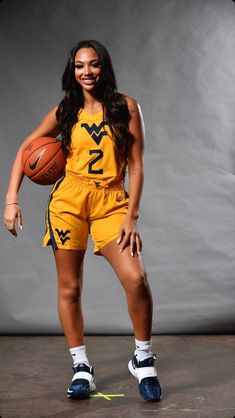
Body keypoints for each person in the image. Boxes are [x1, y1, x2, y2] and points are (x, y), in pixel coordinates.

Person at [3, 40, 162, 402]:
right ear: (72, 71)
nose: (86, 72)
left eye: (93, 64)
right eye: (79, 66)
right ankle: (81, 368)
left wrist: (131, 217)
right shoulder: (66, 109)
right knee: (70, 288)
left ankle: (143, 358)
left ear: (104, 67)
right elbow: (27, 148)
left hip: (111, 201)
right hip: (69, 201)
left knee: (136, 279)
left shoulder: (127, 106)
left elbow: (136, 167)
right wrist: (11, 199)